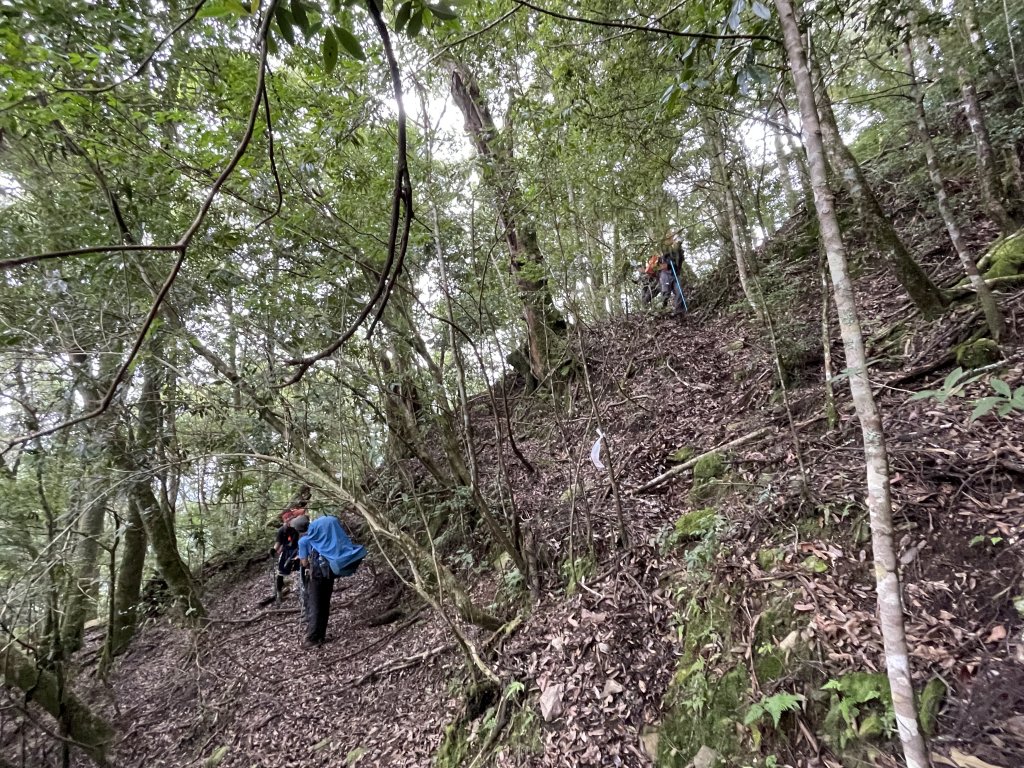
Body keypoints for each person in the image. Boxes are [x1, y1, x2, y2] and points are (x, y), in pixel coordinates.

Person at [297, 515, 367, 648]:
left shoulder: (304, 541)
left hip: (317, 573)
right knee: (324, 602)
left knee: (316, 603)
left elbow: (304, 562)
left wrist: (303, 562)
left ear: (299, 530)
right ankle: (320, 635)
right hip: (329, 570)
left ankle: (313, 638)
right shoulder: (320, 534)